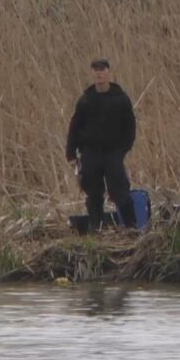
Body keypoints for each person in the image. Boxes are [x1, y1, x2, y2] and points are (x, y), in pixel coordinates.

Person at [66, 58, 137, 232]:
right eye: (96, 70)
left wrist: (122, 150)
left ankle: (131, 226)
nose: (99, 74)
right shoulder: (86, 100)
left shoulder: (120, 99)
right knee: (93, 193)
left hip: (113, 152)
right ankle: (96, 226)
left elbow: (130, 128)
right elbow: (74, 127)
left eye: (102, 70)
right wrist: (71, 153)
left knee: (120, 191)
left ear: (109, 73)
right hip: (90, 152)